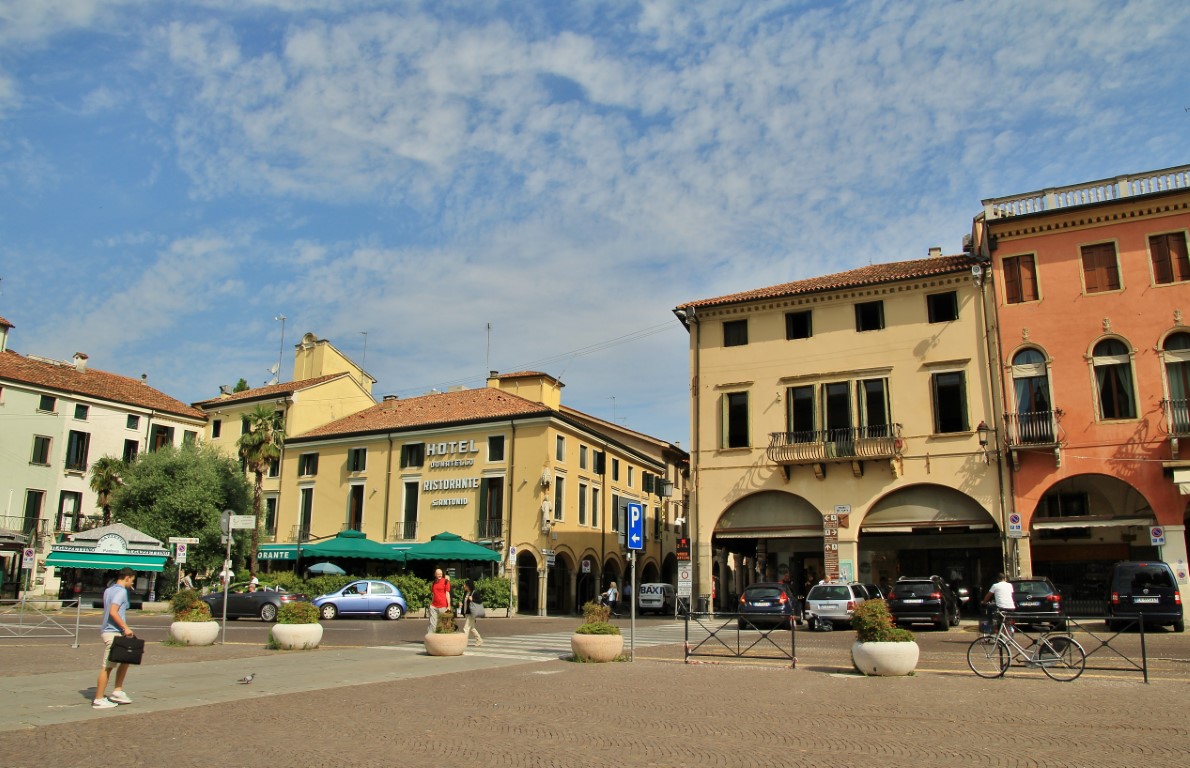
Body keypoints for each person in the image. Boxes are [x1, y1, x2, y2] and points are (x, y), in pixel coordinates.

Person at [94, 568, 136, 709]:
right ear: (127, 578)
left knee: (126, 658)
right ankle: (99, 699)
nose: (132, 583)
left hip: (113, 631)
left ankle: (117, 691)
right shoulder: (121, 591)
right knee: (107, 667)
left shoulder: (109, 590)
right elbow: (113, 611)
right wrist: (125, 628)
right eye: (132, 580)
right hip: (113, 631)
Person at [460, 579, 483, 647]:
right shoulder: (466, 592)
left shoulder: (474, 593)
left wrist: (473, 599)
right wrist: (462, 604)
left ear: (468, 586)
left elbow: (479, 601)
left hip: (471, 613)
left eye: (465, 584)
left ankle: (463, 642)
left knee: (466, 628)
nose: (464, 586)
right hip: (467, 612)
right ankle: (479, 639)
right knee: (472, 628)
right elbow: (465, 601)